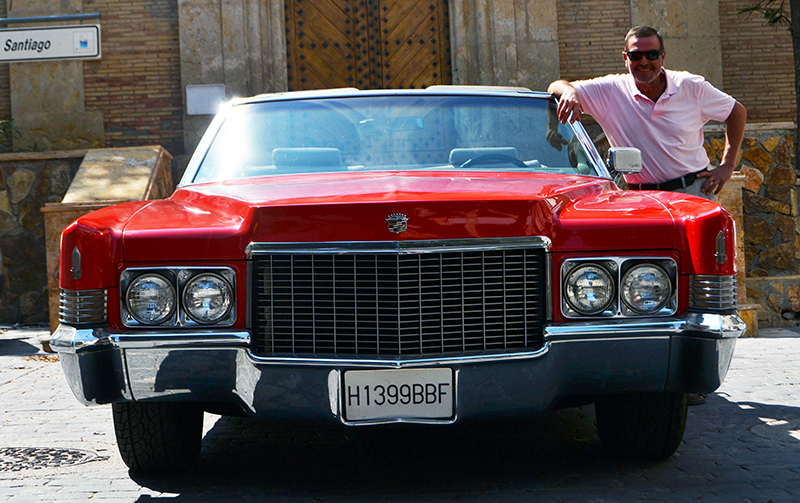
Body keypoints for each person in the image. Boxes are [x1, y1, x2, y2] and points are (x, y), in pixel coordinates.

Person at [547, 25, 747, 200]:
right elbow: (555, 86)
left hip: (693, 191)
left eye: (651, 55)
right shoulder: (610, 91)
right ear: (626, 58)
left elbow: (736, 112)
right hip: (641, 199)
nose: (644, 62)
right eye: (636, 56)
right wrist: (570, 92)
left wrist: (727, 166)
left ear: (663, 57)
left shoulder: (690, 86)